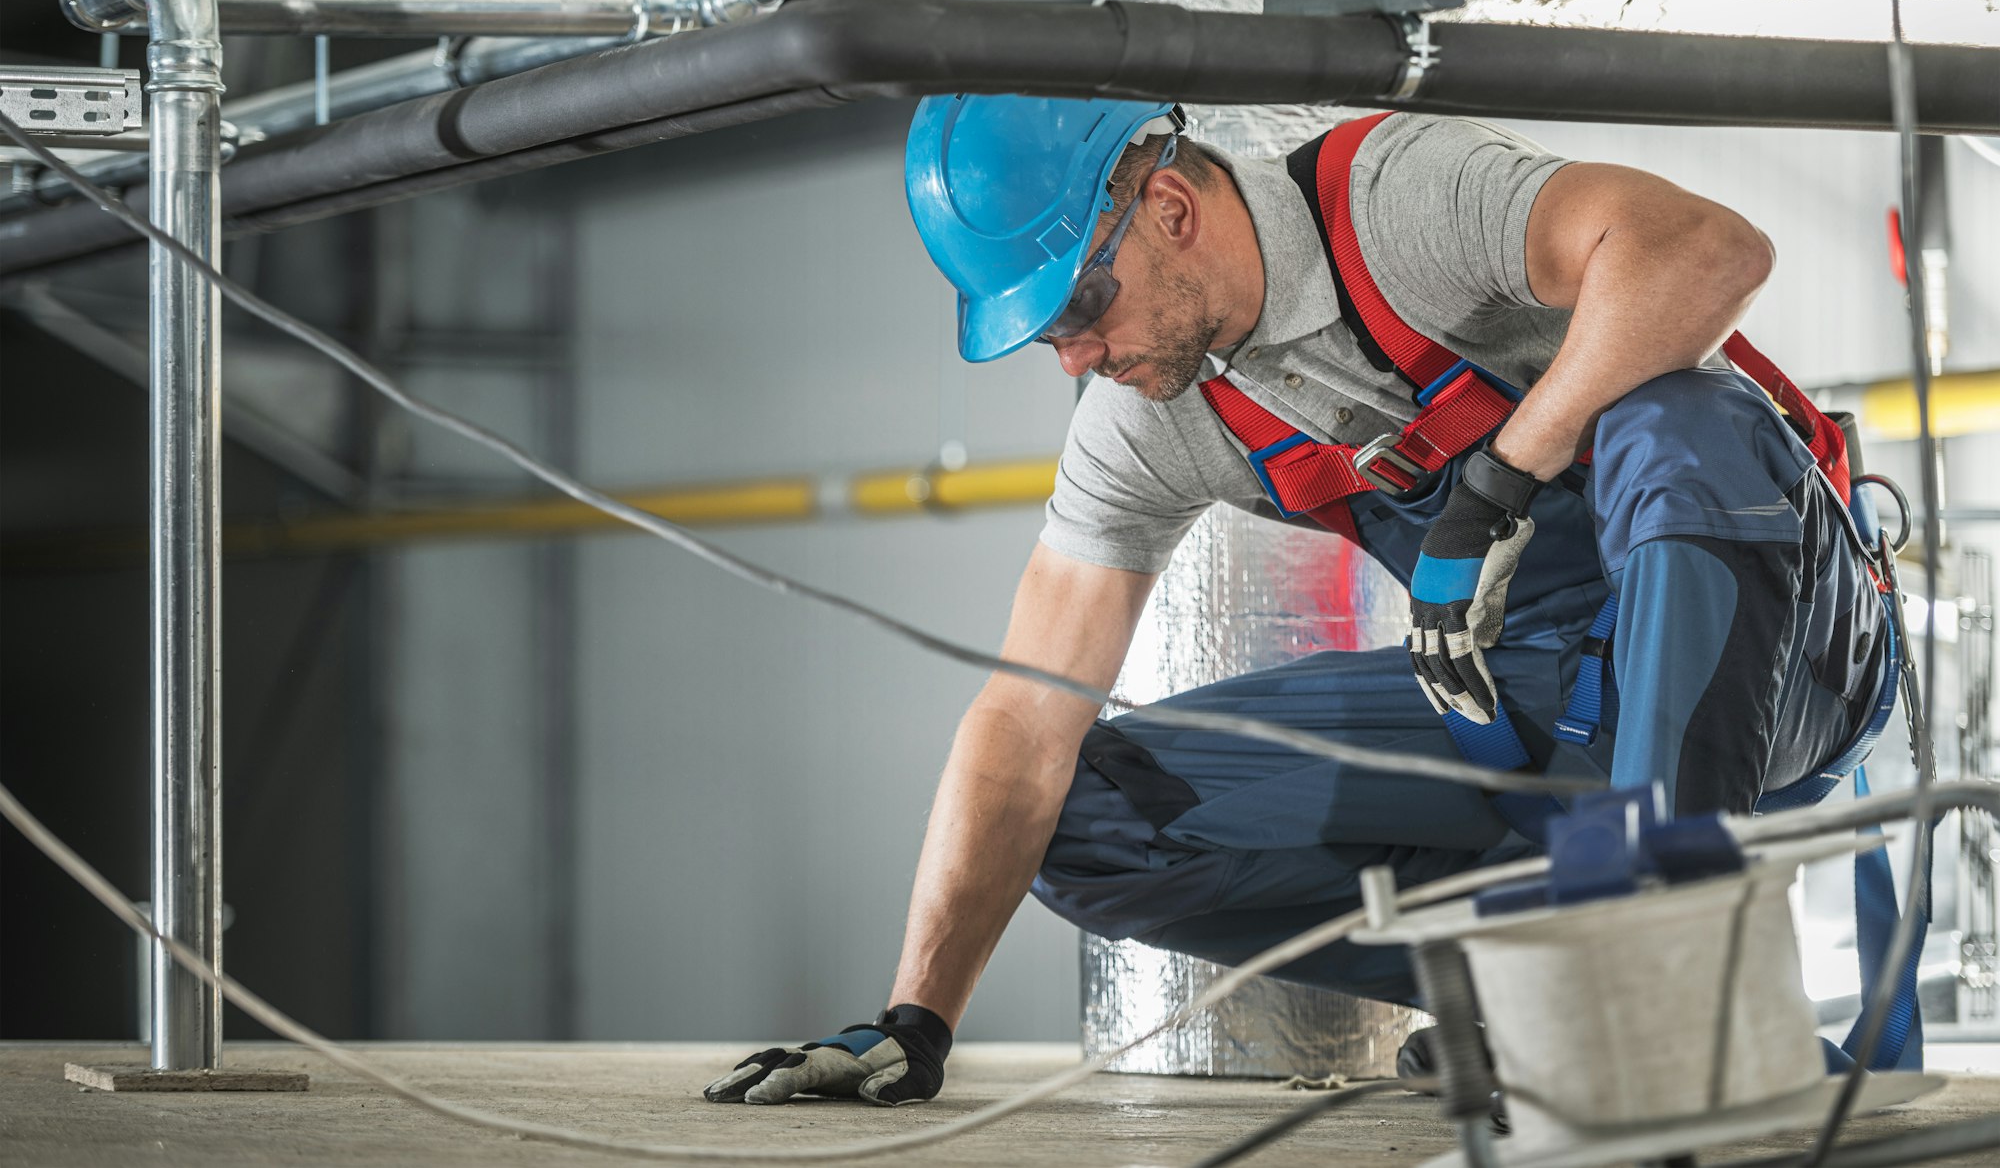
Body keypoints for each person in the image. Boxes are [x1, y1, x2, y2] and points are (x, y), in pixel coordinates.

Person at [703, 98, 1892, 1107]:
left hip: (1772, 643)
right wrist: (917, 1018)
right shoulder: (1146, 422)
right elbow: (1023, 725)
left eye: (1075, 309)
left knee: (1675, 423)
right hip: (1541, 691)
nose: (1071, 358)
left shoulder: (1392, 203)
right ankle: (1536, 993)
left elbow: (1707, 250)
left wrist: (1501, 474)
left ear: (1167, 211)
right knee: (1090, 819)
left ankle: (1671, 983)